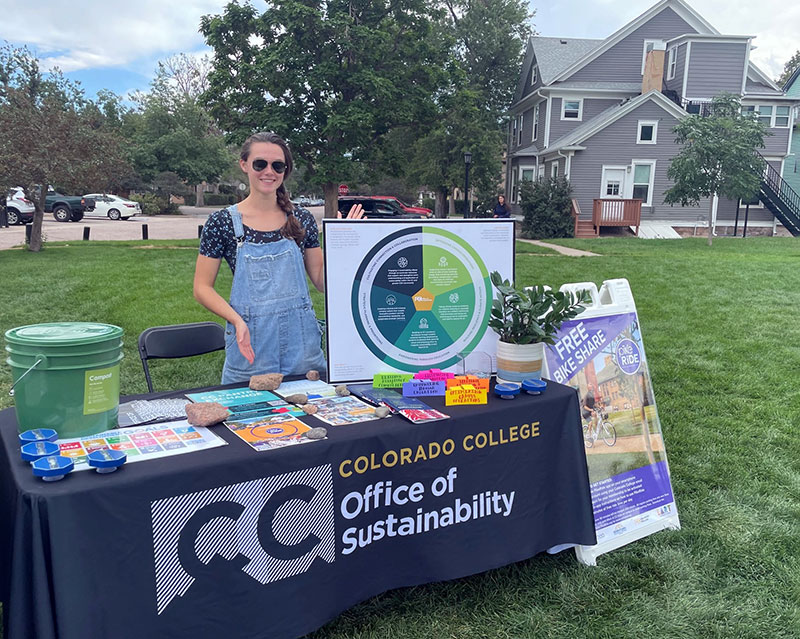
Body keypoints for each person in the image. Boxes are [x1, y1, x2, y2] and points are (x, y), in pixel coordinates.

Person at [193, 131, 363, 383]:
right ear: (244, 165)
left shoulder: (301, 218)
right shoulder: (222, 223)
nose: (269, 171)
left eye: (278, 165)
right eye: (260, 164)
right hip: (250, 348)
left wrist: (344, 248)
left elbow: (320, 281)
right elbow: (201, 288)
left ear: (285, 170)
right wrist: (236, 321)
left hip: (303, 348)